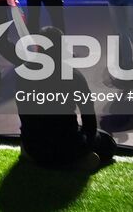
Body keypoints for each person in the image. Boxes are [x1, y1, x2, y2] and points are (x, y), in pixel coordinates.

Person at [16, 26, 116, 170]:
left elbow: (23, 113)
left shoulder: (23, 73)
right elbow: (89, 117)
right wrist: (87, 145)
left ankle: (36, 155)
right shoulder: (72, 75)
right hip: (65, 145)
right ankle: (76, 160)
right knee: (107, 142)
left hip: (33, 145)